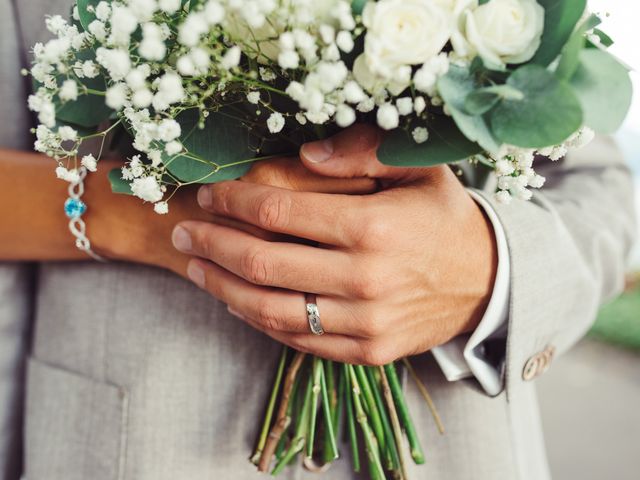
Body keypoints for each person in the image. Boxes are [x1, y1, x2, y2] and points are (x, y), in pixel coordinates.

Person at [0, 1, 636, 480]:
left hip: (461, 448)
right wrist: (163, 221)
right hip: (138, 442)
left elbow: (604, 189)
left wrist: (490, 267)